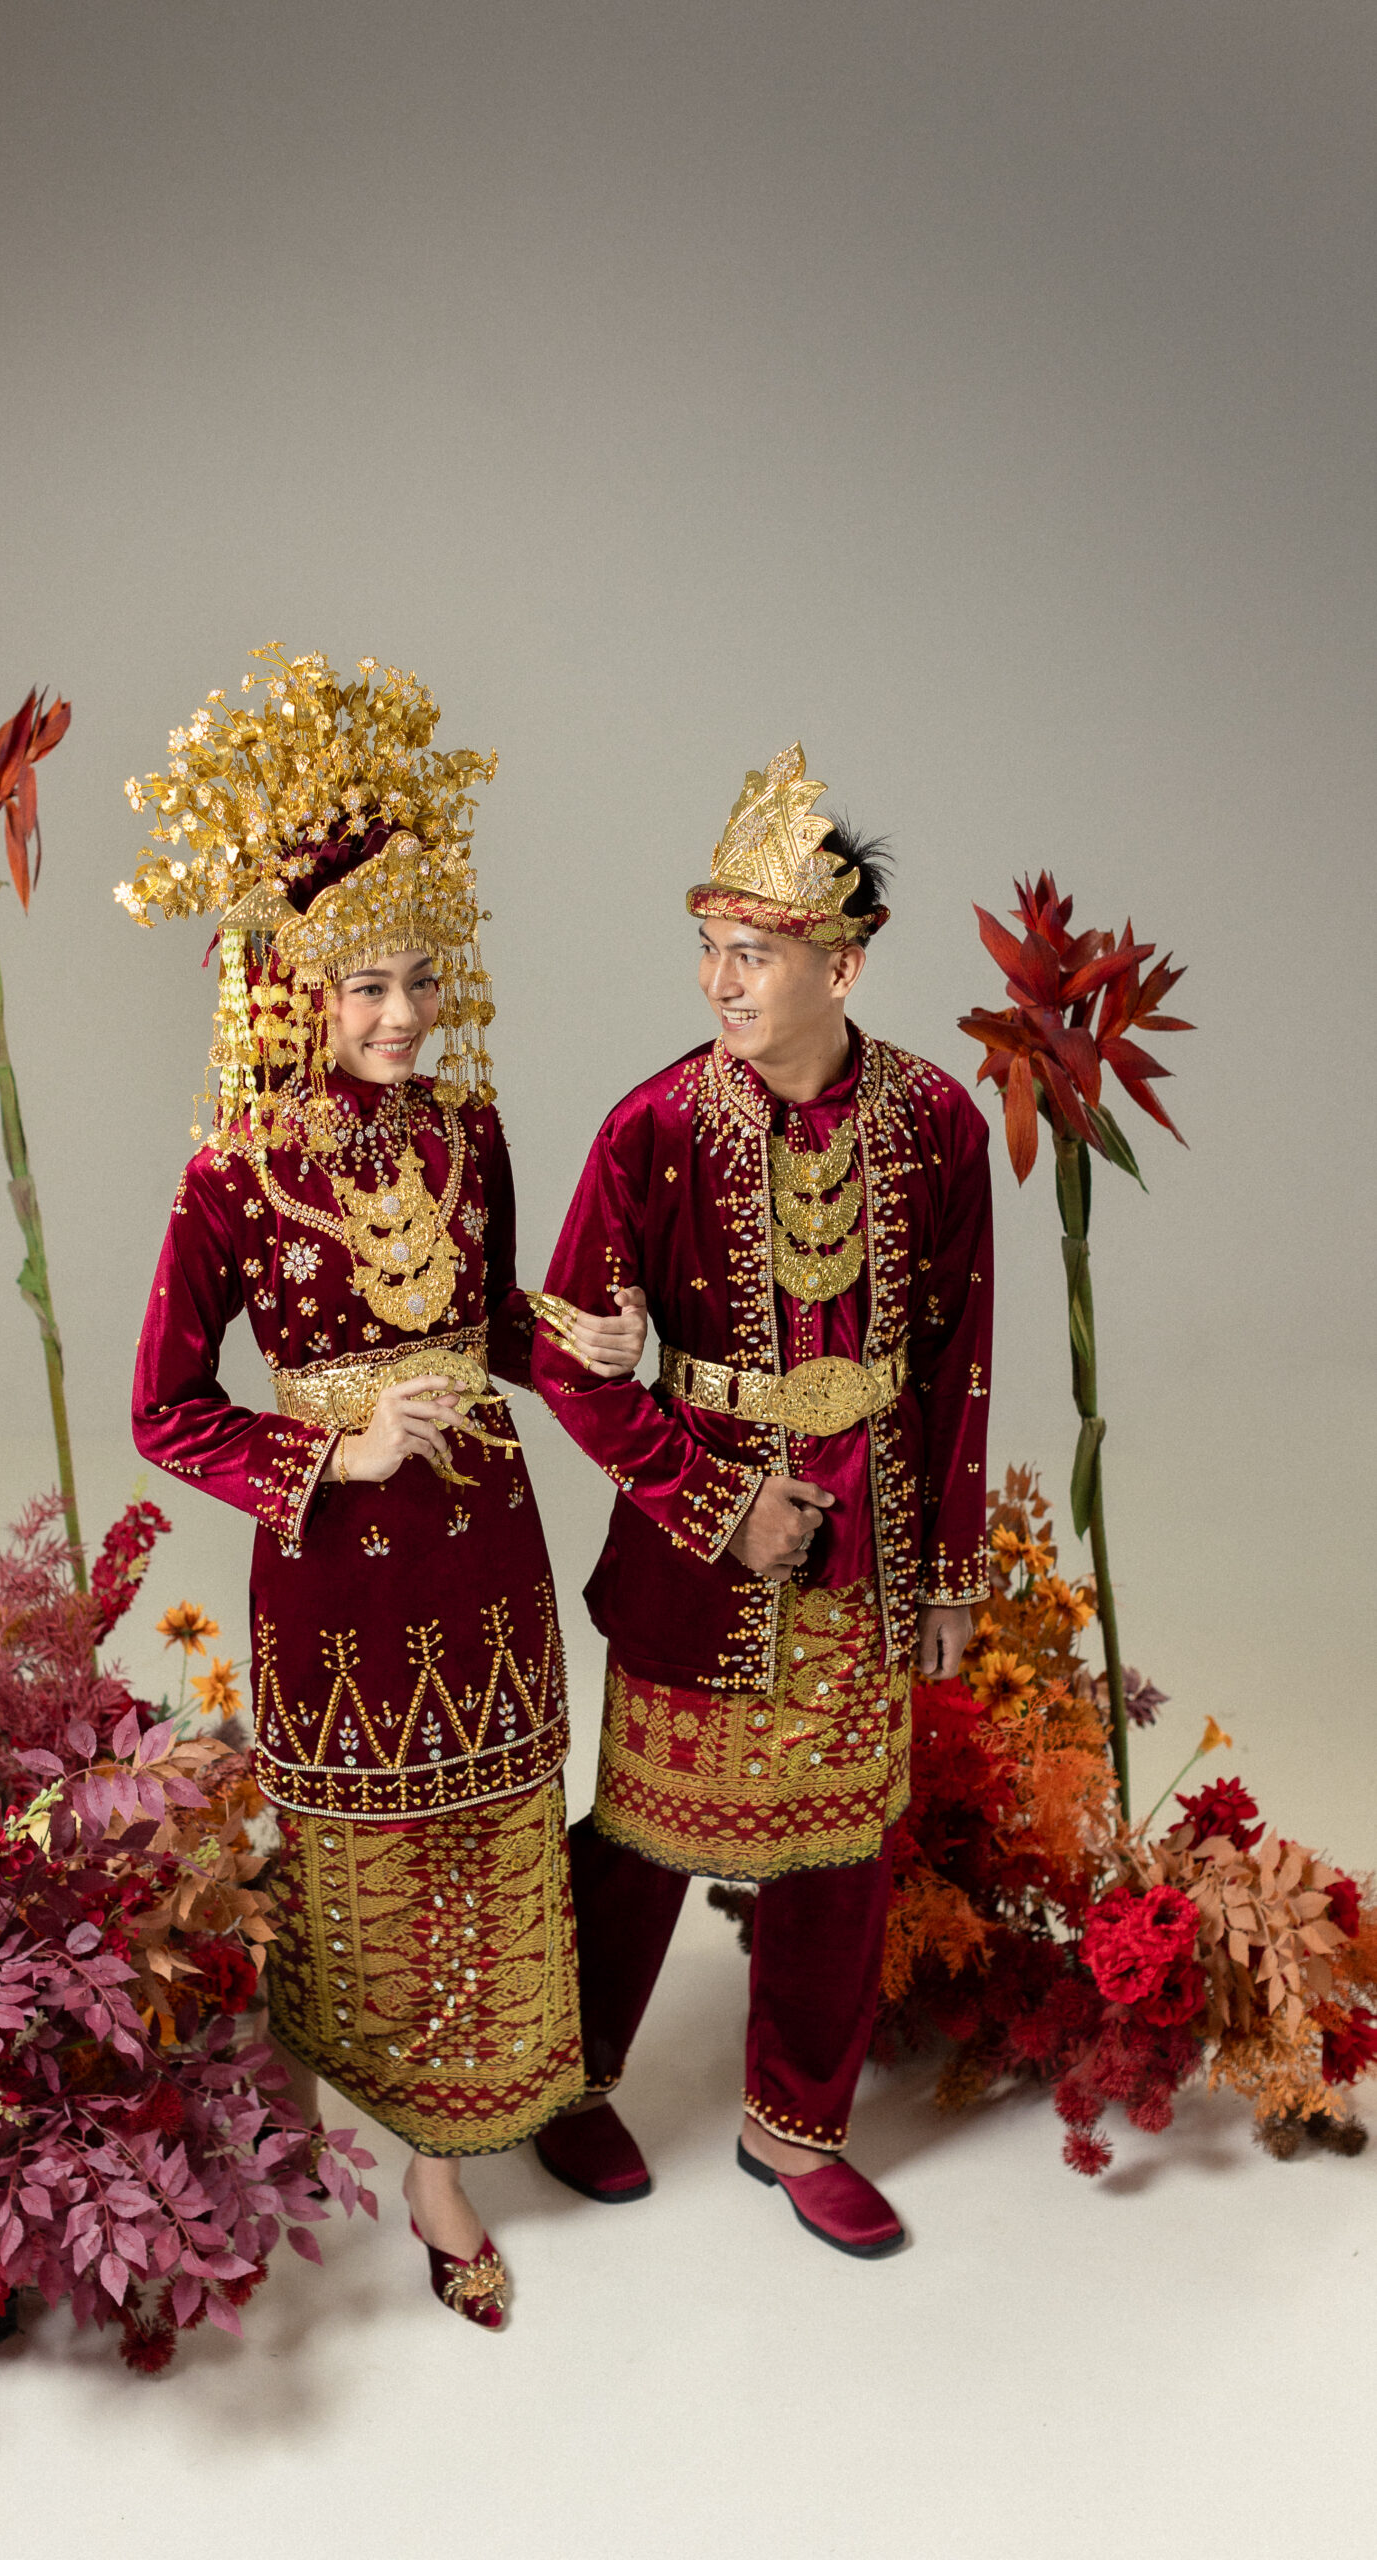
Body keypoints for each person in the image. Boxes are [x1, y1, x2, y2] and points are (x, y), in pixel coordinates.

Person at [121, 651, 644, 2326]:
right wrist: (327, 1450)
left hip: (487, 1545)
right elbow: (162, 1410)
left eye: (421, 978)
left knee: (498, 1833)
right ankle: (393, 2131)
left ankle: (466, 2127)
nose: (403, 1015)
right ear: (295, 987)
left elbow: (488, 1322)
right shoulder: (232, 1171)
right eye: (365, 986)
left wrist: (581, 1335)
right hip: (342, 1567)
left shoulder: (470, 1131)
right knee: (372, 1856)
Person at [528, 742, 992, 2256]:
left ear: (842, 965)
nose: (719, 981)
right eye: (710, 947)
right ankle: (565, 2081)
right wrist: (717, 1501)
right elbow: (570, 1361)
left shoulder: (938, 1123)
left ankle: (796, 2124)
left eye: (754, 952)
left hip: (874, 1533)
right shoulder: (651, 1129)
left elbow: (960, 1359)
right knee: (644, 1834)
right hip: (701, 1544)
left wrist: (949, 1567)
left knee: (843, 1852)